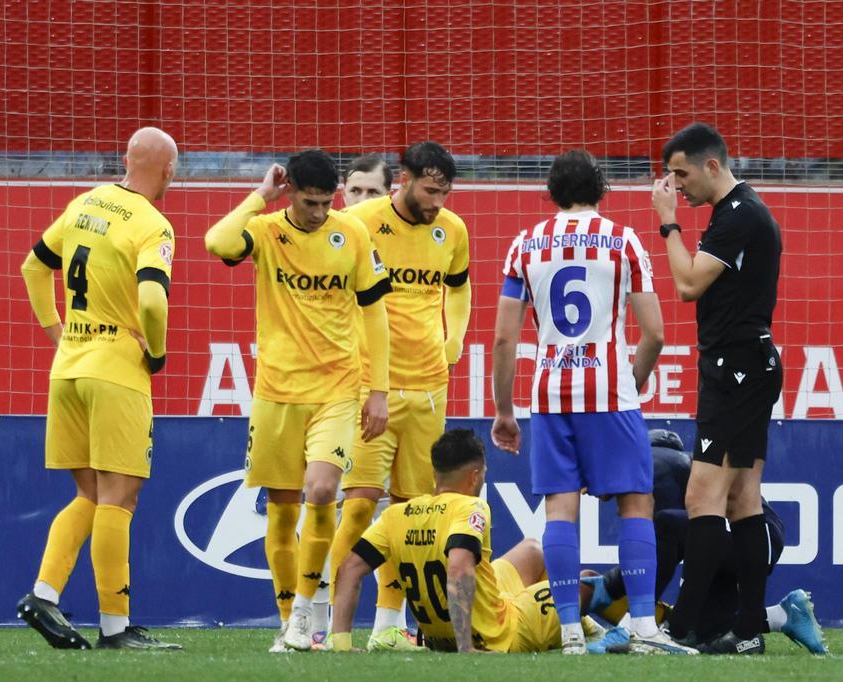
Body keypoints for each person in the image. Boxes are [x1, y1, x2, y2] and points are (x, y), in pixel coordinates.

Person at [492, 149, 691, 656]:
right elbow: (655, 333)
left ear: (551, 193)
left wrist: (504, 410)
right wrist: (632, 383)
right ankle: (644, 626)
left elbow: (504, 340)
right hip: (609, 394)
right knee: (636, 504)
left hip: (550, 394)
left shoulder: (525, 244)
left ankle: (571, 633)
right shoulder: (623, 242)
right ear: (602, 190)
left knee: (560, 509)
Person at [204, 150, 393, 653]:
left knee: (323, 489)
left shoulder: (350, 234)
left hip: (336, 388)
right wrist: (259, 196)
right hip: (276, 393)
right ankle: (289, 621)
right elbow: (216, 242)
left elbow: (375, 315)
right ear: (290, 194)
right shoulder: (265, 233)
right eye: (308, 202)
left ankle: (313, 612)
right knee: (283, 512)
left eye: (324, 201)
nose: (318, 211)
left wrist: (378, 390)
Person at [16, 127, 181, 650]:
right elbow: (153, 304)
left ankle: (43, 593)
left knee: (88, 493)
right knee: (119, 498)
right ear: (168, 171)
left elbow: (33, 266)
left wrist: (54, 331)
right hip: (115, 372)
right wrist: (155, 352)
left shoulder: (84, 202)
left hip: (68, 369)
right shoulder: (154, 224)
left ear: (128, 160)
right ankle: (115, 627)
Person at [328, 141, 471, 652]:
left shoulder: (451, 229)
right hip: (370, 386)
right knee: (362, 506)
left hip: (430, 388)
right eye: (430, 190)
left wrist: (454, 336)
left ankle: (389, 624)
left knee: (412, 515)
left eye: (445, 192)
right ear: (404, 179)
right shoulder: (362, 221)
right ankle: (328, 623)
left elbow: (458, 287)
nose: (437, 202)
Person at [650, 122, 784, 655]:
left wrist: (668, 224)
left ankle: (679, 628)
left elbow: (686, 285)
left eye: (682, 174)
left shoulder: (737, 215)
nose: (678, 187)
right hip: (748, 364)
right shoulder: (743, 212)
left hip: (737, 369)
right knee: (742, 499)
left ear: (712, 164)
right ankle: (749, 629)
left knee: (702, 496)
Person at [329, 429, 592, 654]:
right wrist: (466, 646)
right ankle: (587, 628)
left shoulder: (396, 515)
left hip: (437, 637)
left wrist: (342, 643)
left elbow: (349, 569)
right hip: (497, 633)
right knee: (586, 581)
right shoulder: (471, 507)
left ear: (436, 473)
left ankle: (584, 627)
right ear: (476, 474)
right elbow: (458, 569)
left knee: (533, 550)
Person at [581, 429, 827, 655]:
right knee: (704, 634)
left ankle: (631, 627)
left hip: (748, 539)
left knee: (663, 525)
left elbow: (652, 551)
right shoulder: (674, 466)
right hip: (747, 540)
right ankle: (784, 616)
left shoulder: (656, 464)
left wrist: (609, 587)